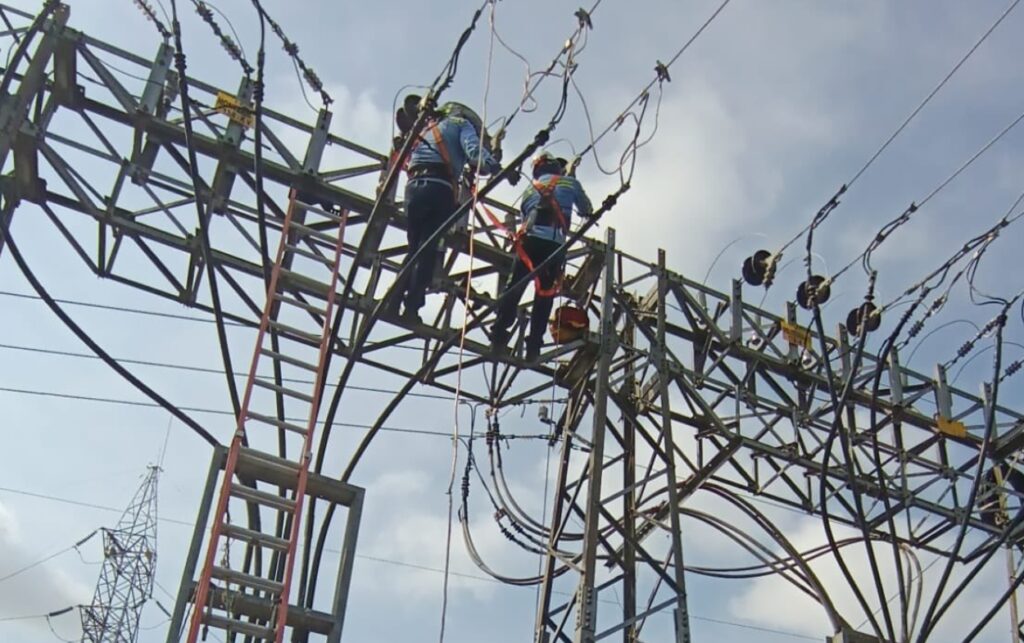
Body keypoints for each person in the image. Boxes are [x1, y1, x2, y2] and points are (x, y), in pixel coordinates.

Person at [396, 96, 502, 321]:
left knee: (414, 248)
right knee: (428, 250)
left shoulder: (426, 128)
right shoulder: (462, 125)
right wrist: (495, 165)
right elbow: (475, 154)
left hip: (413, 189)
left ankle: (393, 299)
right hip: (439, 189)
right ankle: (412, 307)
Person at [491, 152, 593, 361]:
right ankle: (534, 346)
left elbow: (525, 217)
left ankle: (499, 333)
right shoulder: (569, 183)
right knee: (544, 296)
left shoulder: (529, 189)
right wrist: (572, 180)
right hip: (553, 246)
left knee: (514, 289)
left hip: (528, 244)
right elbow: (586, 209)